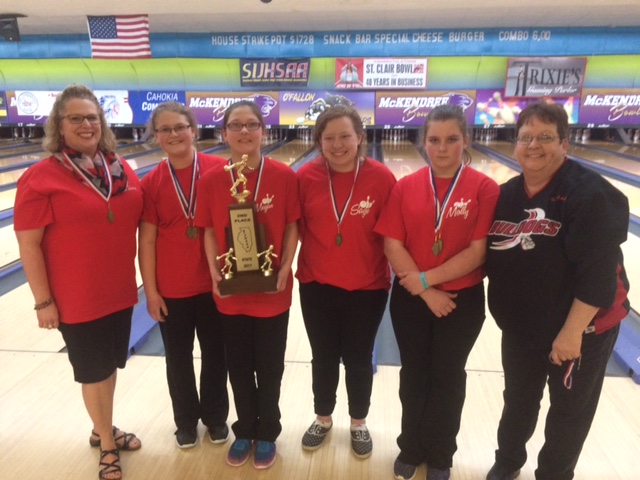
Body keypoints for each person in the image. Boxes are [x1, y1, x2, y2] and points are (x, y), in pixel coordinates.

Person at [484, 102, 630, 480]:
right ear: (515, 144)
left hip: (582, 329)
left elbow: (599, 274)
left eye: (545, 137)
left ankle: (553, 474)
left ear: (565, 143)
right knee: (518, 400)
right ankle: (508, 462)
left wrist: (571, 334)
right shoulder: (506, 196)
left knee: (569, 410)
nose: (534, 145)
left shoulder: (591, 195)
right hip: (523, 327)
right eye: (526, 137)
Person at [14, 84, 143, 480]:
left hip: (120, 291)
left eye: (92, 117)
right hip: (76, 297)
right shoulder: (40, 177)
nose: (86, 124)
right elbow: (29, 245)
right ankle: (106, 444)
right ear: (59, 124)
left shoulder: (120, 168)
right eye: (76, 118)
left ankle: (101, 425)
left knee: (108, 367)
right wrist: (43, 302)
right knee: (92, 371)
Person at [375, 104, 500, 480]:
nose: (442, 148)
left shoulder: (485, 188)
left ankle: (442, 454)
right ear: (423, 142)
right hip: (412, 298)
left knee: (448, 377)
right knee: (414, 375)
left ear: (466, 141)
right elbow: (392, 244)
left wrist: (426, 281)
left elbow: (478, 252)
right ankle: (410, 448)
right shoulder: (406, 186)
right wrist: (425, 289)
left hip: (461, 300)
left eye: (451, 140)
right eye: (434, 140)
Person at [195, 100, 300, 470]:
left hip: (273, 292)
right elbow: (208, 230)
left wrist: (285, 268)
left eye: (252, 124)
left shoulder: (285, 176)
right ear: (224, 133)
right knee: (238, 367)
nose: (244, 132)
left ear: (263, 131)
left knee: (270, 368)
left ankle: (267, 432)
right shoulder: (211, 180)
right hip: (232, 294)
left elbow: (291, 227)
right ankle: (244, 430)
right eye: (236, 125)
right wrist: (214, 273)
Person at [296, 105, 397, 458]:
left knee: (357, 358)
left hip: (367, 289)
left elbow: (395, 236)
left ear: (360, 138)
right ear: (319, 141)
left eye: (345, 136)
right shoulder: (306, 177)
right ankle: (323, 418)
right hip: (316, 284)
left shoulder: (382, 178)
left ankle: (358, 422)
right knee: (322, 357)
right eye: (329, 138)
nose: (337, 145)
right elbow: (293, 229)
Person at [138, 102, 229, 449]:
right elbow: (146, 239)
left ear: (193, 129)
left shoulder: (220, 169)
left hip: (215, 284)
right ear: (156, 137)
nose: (174, 134)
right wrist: (151, 292)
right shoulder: (152, 183)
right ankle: (185, 422)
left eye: (180, 126)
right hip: (172, 288)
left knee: (216, 355)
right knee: (178, 359)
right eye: (165, 129)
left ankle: (217, 417)